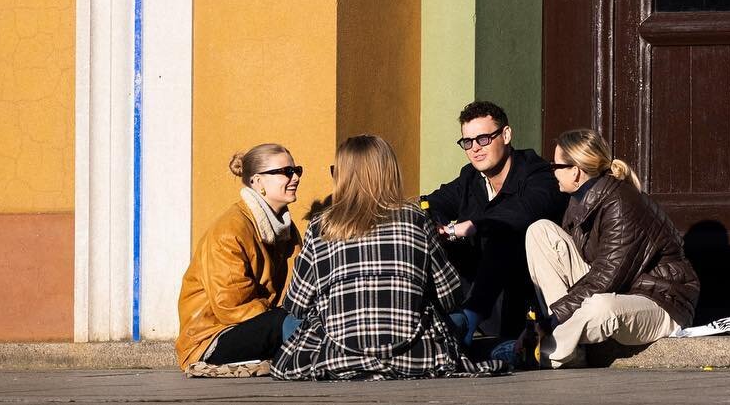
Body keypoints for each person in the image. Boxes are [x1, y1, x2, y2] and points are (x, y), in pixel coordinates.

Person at [271, 134, 506, 381]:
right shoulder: (416, 219)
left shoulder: (321, 226)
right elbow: (450, 297)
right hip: (415, 353)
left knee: (289, 325)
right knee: (459, 319)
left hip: (337, 354)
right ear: (389, 172)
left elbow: (296, 304)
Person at [513, 128, 699, 368]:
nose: (552, 172)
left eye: (556, 166)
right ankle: (571, 348)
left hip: (659, 302)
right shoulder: (579, 200)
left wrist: (548, 323)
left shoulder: (623, 204)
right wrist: (553, 318)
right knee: (540, 231)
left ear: (576, 172)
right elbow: (594, 276)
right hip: (615, 289)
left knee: (601, 306)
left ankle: (544, 351)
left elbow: (605, 280)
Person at [423, 99, 564, 344]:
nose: (475, 148)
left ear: (506, 134)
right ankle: (428, 324)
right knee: (432, 240)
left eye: (483, 139)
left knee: (503, 233)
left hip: (527, 298)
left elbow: (525, 209)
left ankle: (466, 320)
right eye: (467, 142)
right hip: (484, 294)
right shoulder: (470, 177)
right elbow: (432, 203)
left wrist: (470, 225)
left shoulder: (537, 173)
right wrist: (438, 228)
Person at [176, 143, 302, 375]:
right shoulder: (230, 231)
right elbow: (231, 307)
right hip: (211, 339)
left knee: (299, 318)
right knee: (281, 323)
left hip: (255, 325)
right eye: (285, 172)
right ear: (257, 181)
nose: (294, 178)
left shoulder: (285, 231)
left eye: (296, 171)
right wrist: (283, 313)